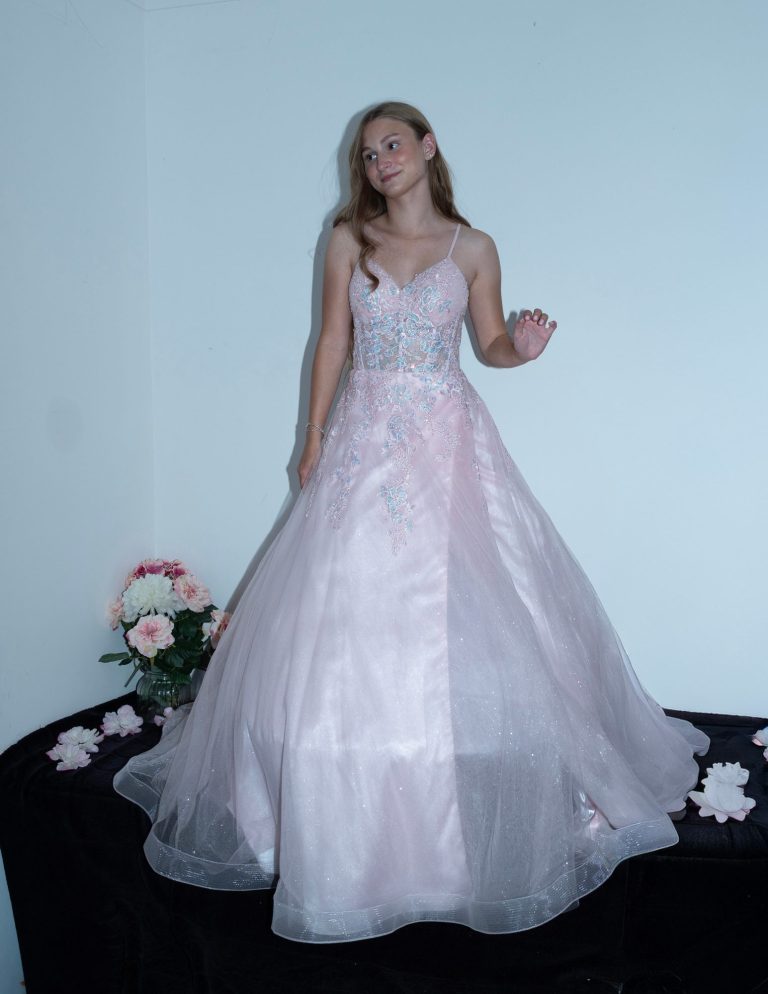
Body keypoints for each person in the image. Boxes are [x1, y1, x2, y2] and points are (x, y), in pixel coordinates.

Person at [114, 101, 709, 944]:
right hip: (362, 441)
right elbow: (330, 343)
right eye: (367, 153)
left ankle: (444, 815)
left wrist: (523, 350)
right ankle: (344, 824)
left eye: (394, 143)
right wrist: (311, 437)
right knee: (346, 605)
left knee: (464, 604)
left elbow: (491, 343)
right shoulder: (348, 241)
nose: (381, 160)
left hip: (447, 441)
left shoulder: (473, 248)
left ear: (428, 149)